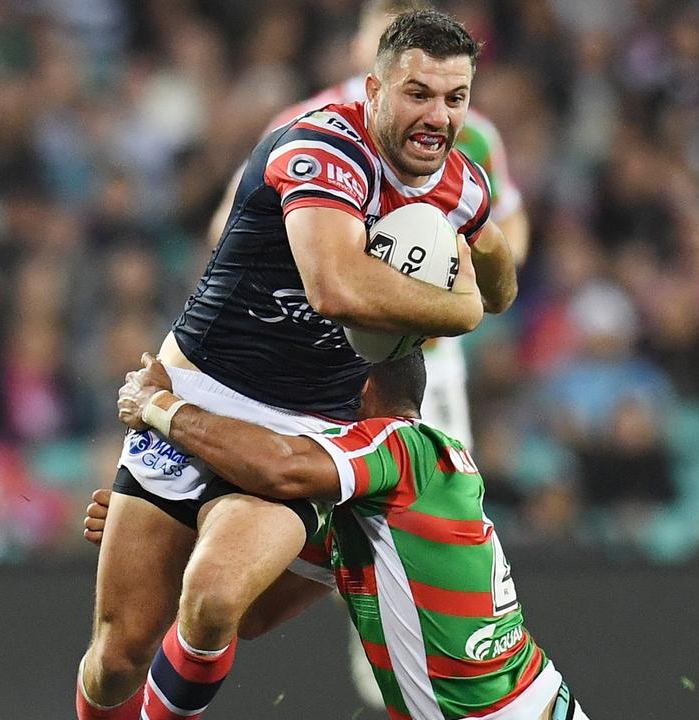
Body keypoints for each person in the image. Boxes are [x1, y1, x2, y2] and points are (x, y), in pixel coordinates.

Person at [76, 10, 519, 720]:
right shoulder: (320, 146)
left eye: (455, 98)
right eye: (418, 94)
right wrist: (461, 309)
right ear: (374, 89)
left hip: (309, 428)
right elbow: (335, 288)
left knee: (217, 600)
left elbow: (499, 280)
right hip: (197, 394)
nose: (438, 116)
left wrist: (483, 254)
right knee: (117, 658)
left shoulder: (459, 183)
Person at [83, 350, 589, 720]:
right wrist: (160, 530)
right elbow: (254, 613)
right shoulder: (377, 526)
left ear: (360, 390)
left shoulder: (404, 445)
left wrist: (162, 407)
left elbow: (278, 467)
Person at [206, 0, 532, 448]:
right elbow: (228, 226)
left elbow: (504, 224)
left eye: (451, 95)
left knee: (428, 501)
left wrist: (456, 271)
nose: (436, 110)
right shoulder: (306, 127)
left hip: (423, 362)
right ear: (366, 54)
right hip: (310, 351)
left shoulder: (471, 138)